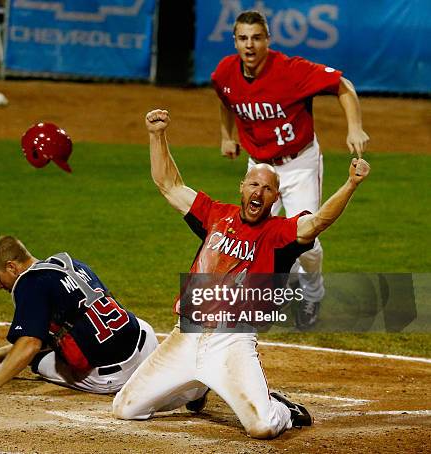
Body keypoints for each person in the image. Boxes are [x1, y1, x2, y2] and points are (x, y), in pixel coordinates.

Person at [112, 109, 370, 439]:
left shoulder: (279, 234)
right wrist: (156, 134)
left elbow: (318, 221)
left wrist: (350, 184)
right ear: (242, 187)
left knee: (261, 427)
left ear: (275, 198)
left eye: (267, 189)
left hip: (231, 341)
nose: (258, 193)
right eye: (254, 184)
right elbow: (168, 184)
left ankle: (281, 410)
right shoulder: (215, 215)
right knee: (125, 409)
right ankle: (195, 388)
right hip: (186, 334)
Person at [212, 10, 370, 329]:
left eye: (257, 38)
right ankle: (266, 292)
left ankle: (312, 292)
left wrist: (355, 128)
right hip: (259, 165)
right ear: (235, 41)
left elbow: (343, 85)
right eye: (243, 38)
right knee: (250, 236)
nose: (250, 45)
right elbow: (226, 98)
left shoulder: (290, 70)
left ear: (267, 40)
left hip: (299, 164)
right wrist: (227, 135)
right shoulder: (225, 72)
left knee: (307, 240)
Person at [0, 236, 158, 393]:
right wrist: (4, 352)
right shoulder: (70, 264)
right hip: (147, 344)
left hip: (116, 375)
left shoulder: (29, 283)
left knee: (38, 359)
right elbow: (78, 323)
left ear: (11, 267)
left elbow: (30, 345)